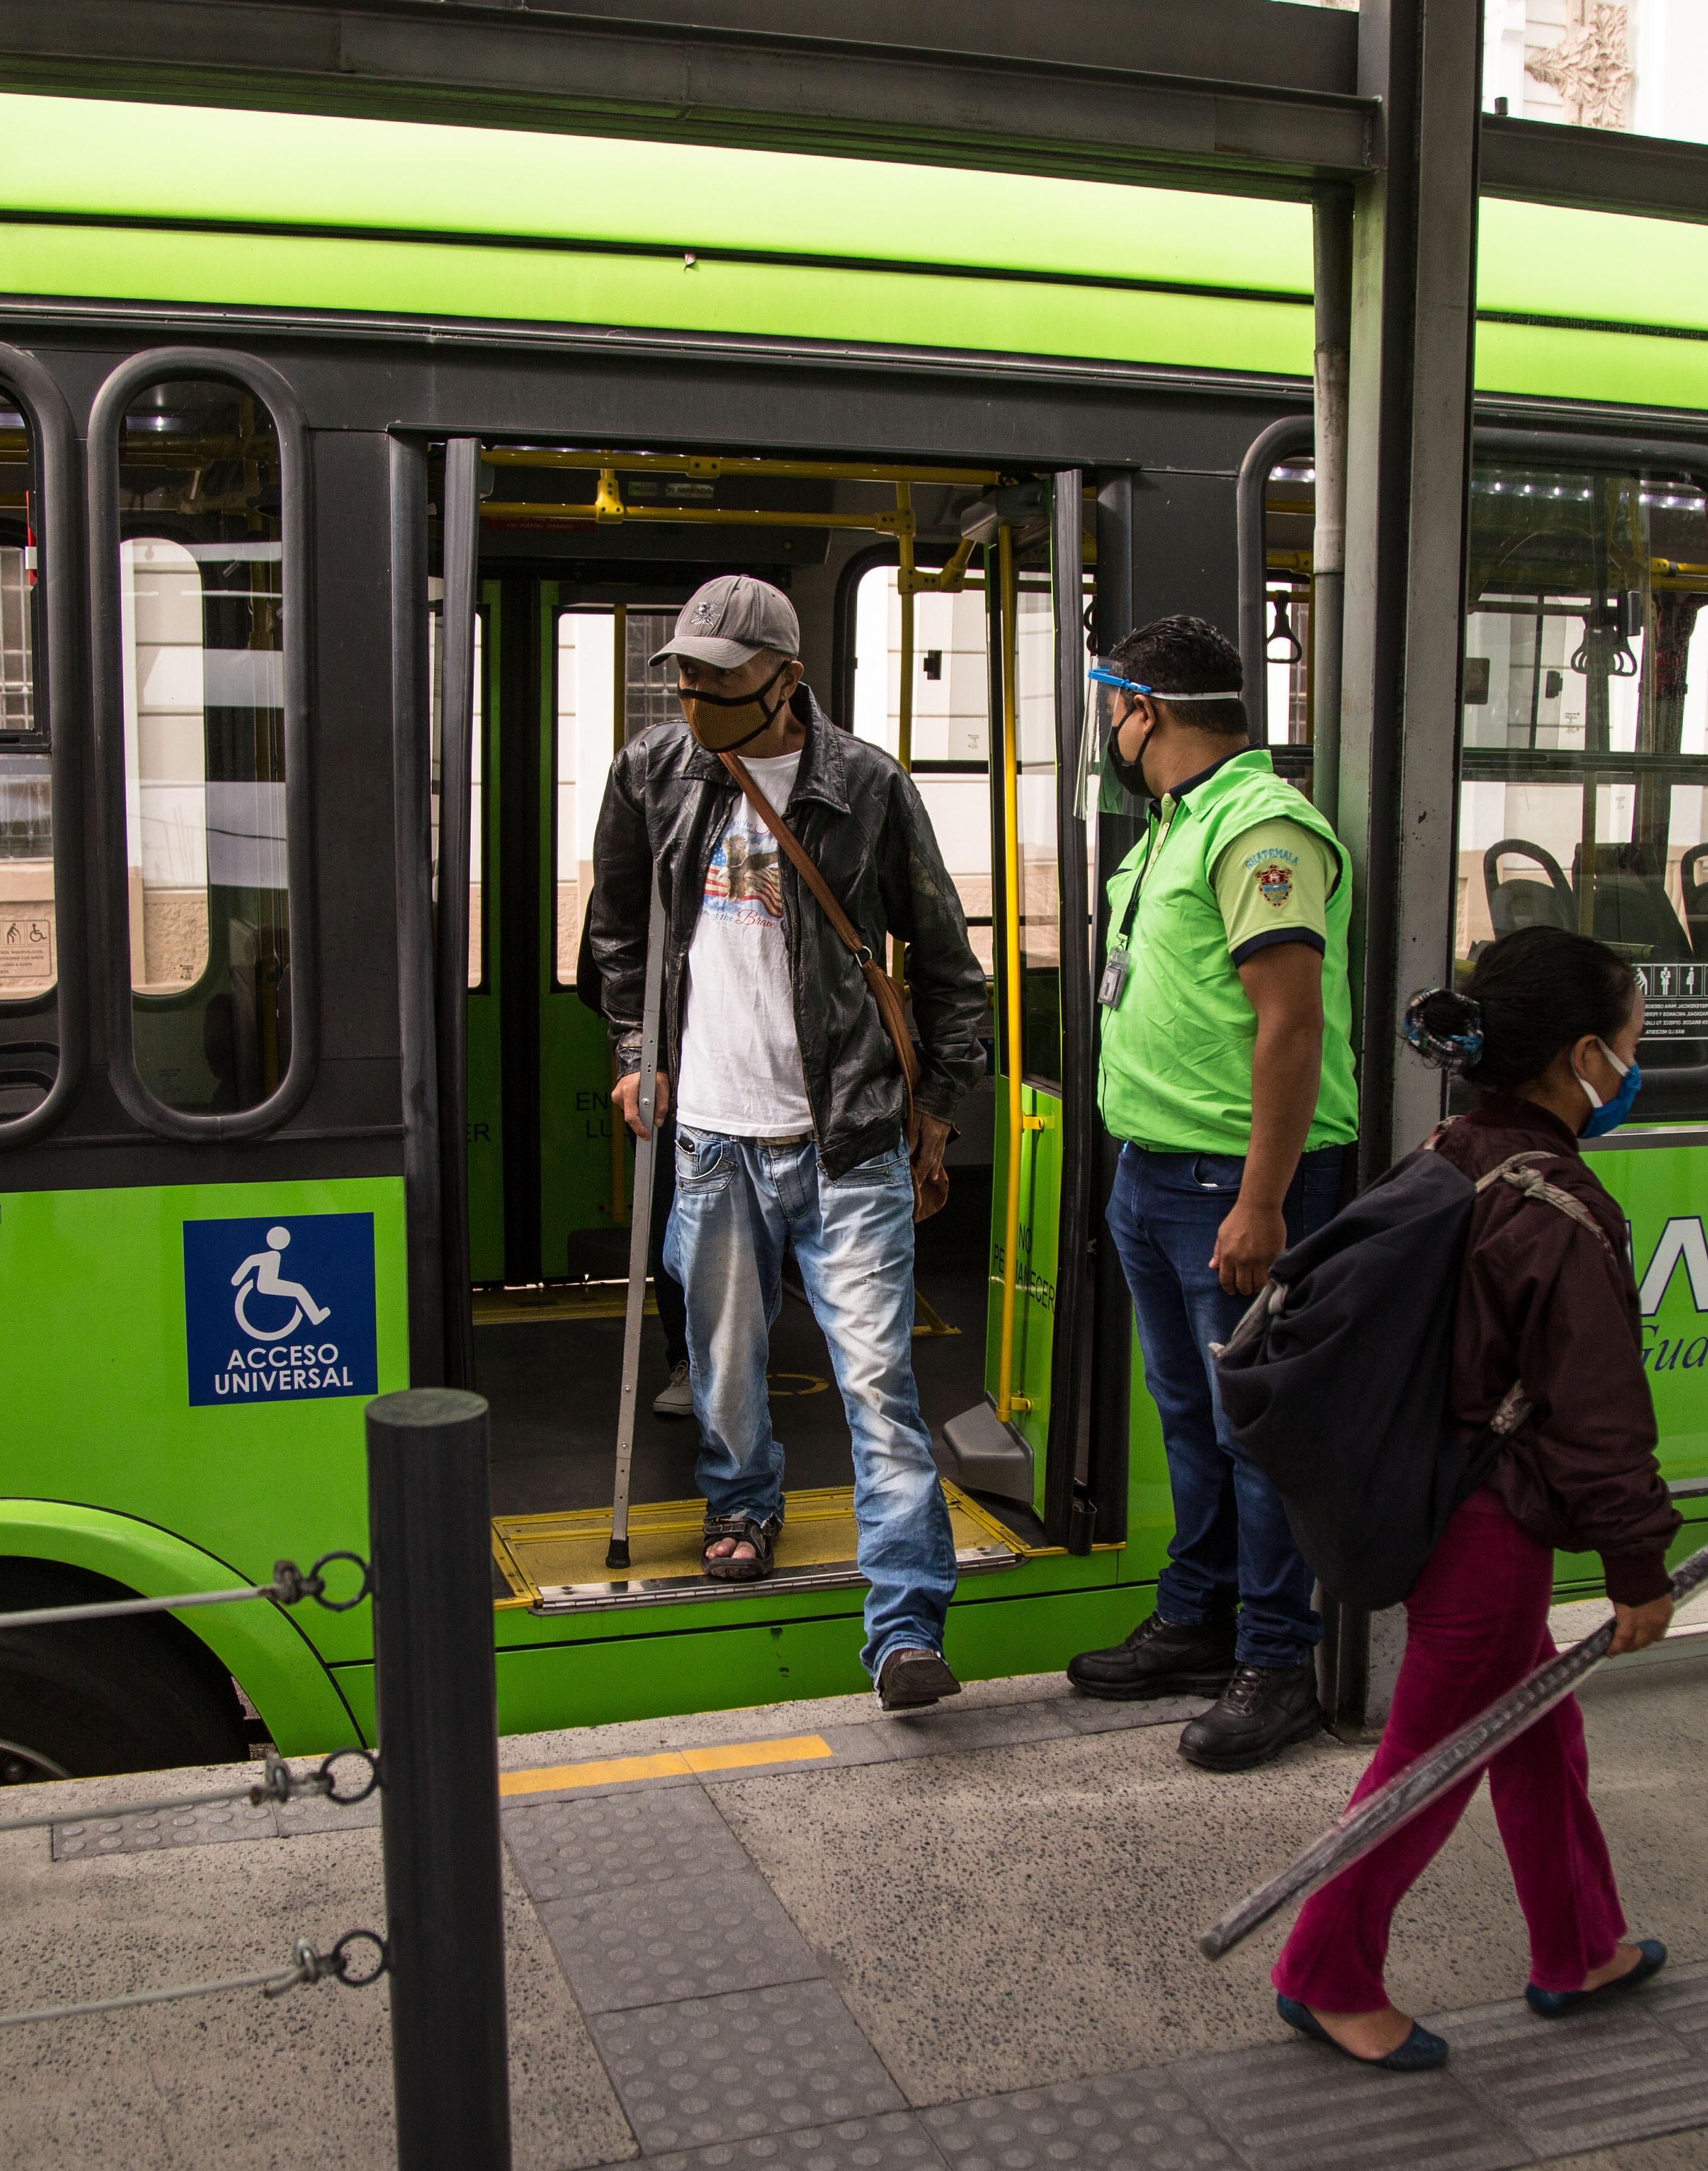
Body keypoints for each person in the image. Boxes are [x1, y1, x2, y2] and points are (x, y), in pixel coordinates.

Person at [1270, 925, 1682, 2070]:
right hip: (1492, 1528)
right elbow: (1598, 1416)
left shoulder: (1456, 1148)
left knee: (1536, 1729)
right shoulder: (1559, 1207)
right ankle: (1325, 1970)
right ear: (1585, 1056)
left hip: (1446, 1494)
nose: (1632, 1068)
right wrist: (1639, 1569)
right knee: (1434, 1758)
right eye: (1632, 1044)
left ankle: (1580, 1945)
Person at [581, 573, 993, 1710]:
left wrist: (938, 1109)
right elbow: (617, 933)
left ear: (785, 679)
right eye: (685, 673)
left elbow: (951, 964)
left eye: (717, 676)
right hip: (710, 1135)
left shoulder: (865, 788)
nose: (694, 693)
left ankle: (906, 1621)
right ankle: (741, 1508)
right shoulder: (653, 774)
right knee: (722, 1366)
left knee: (877, 1383)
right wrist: (636, 1053)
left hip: (847, 1138)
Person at [1061, 614, 1358, 1771]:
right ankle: (1201, 1617)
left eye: (1116, 711)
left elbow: (1291, 1022)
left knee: (1258, 1437)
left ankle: (1277, 1662)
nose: (1115, 733)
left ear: (1149, 710)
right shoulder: (1178, 824)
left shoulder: (1260, 826)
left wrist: (1264, 1201)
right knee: (1192, 1420)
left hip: (1229, 1187)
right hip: (1154, 1176)